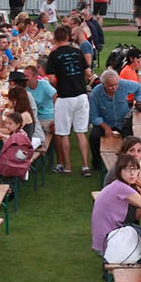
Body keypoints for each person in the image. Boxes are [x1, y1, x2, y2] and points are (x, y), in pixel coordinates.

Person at [90, 152, 141, 271]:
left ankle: (126, 281)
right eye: (126, 169)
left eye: (134, 169)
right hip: (110, 244)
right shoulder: (122, 188)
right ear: (119, 171)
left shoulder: (117, 186)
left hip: (108, 238)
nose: (131, 173)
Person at [44, 25, 91, 175]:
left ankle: (68, 166)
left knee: (63, 132)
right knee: (81, 132)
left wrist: (61, 85)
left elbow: (51, 78)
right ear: (69, 37)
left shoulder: (53, 55)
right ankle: (85, 166)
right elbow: (88, 73)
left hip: (64, 97)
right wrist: (79, 81)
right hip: (81, 95)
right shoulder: (78, 52)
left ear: (55, 38)